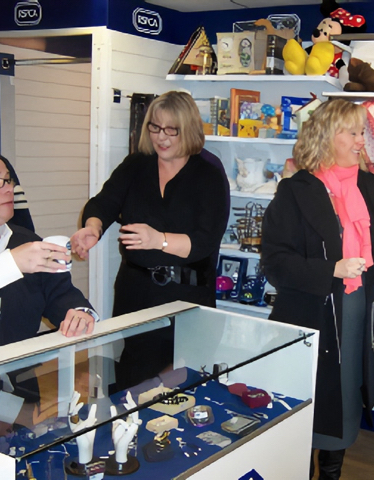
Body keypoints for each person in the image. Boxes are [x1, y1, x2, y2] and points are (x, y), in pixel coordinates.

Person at [261, 98, 374, 480]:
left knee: (345, 399)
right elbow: (275, 262)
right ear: (326, 136)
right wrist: (330, 270)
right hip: (313, 317)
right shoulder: (295, 191)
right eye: (352, 132)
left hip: (357, 315)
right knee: (312, 403)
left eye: (362, 133)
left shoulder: (367, 185)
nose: (360, 141)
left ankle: (333, 474)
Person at [70, 90, 229, 390]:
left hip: (188, 297)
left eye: (172, 130)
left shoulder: (208, 174)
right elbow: (104, 202)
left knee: (181, 384)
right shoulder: (137, 164)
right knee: (136, 384)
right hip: (137, 293)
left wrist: (159, 240)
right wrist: (92, 228)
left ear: (189, 129)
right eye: (155, 127)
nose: (162, 137)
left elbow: (206, 240)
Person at [0, 151, 97, 439]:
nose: (9, 188)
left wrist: (80, 312)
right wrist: (11, 263)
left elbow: (62, 295)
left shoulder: (28, 241)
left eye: (8, 180)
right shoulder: (21, 254)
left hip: (22, 388)